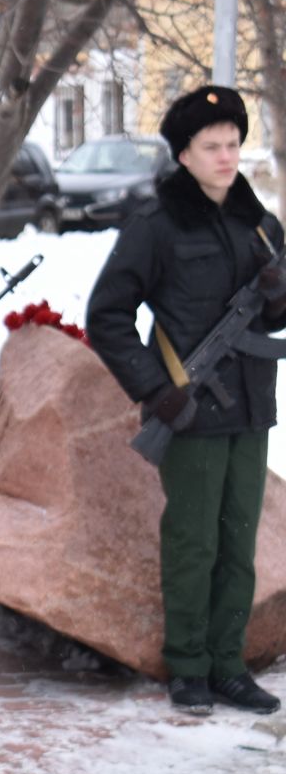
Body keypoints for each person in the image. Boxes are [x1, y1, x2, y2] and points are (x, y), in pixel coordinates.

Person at [88, 85, 286, 717]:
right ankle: (189, 667)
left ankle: (229, 664)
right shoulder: (157, 226)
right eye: (212, 147)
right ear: (184, 155)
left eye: (233, 144)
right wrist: (153, 390)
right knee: (193, 542)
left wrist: (279, 292)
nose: (227, 156)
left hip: (250, 407)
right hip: (190, 411)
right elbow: (108, 314)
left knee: (238, 541)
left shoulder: (259, 221)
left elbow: (273, 318)